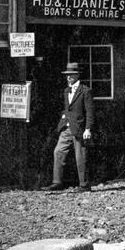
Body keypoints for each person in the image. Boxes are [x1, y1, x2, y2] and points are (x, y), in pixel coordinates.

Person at [42, 62, 94, 192]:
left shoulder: (85, 91)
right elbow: (67, 109)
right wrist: (64, 120)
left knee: (80, 156)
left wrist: (88, 129)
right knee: (58, 151)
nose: (68, 77)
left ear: (77, 75)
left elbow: (90, 111)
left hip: (80, 129)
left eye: (70, 75)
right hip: (67, 128)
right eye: (67, 75)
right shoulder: (66, 90)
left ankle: (84, 185)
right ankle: (57, 182)